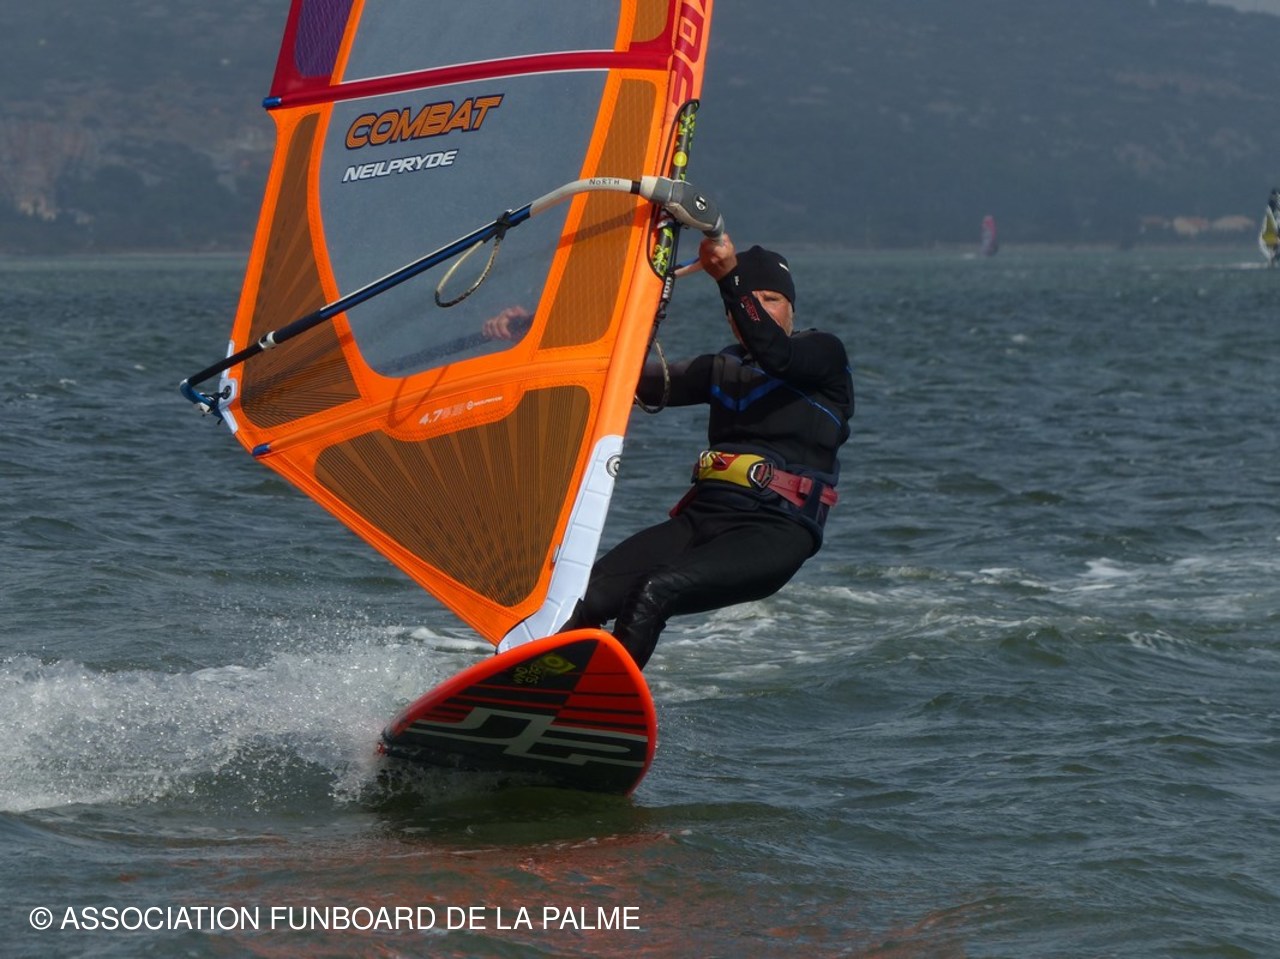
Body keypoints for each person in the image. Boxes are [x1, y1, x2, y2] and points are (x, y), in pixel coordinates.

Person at [561, 234, 854, 669]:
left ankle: (594, 693)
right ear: (732, 316)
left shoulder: (823, 356)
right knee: (582, 596)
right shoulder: (722, 368)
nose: (761, 309)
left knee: (656, 590)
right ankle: (536, 682)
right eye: (751, 301)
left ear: (792, 308)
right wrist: (533, 329)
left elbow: (777, 355)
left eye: (772, 299)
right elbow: (625, 379)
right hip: (701, 520)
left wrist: (731, 279)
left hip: (774, 532)